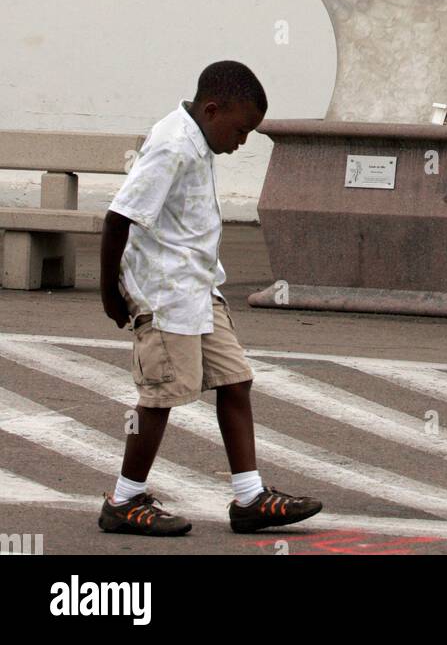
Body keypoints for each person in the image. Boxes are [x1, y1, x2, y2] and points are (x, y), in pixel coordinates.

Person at [98, 60, 322, 536]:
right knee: (159, 399)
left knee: (235, 382)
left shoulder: (198, 141)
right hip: (164, 296)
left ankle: (249, 497)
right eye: (241, 131)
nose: (241, 142)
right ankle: (123, 498)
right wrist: (111, 296)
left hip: (199, 289)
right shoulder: (173, 145)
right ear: (212, 109)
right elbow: (119, 218)